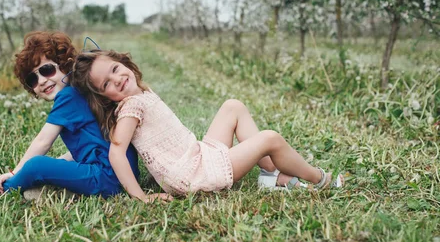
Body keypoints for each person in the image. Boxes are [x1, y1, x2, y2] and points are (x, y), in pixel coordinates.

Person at [70, 50, 343, 202]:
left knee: (232, 106)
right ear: (103, 96)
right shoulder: (129, 108)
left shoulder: (140, 94)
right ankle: (320, 180)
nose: (116, 80)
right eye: (106, 84)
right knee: (270, 138)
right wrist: (141, 196)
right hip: (190, 174)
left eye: (115, 69)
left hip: (196, 154)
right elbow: (116, 153)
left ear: (123, 63)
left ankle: (270, 174)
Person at [0, 32, 141, 199]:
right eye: (32, 80)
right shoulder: (81, 92)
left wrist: (16, 171)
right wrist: (58, 165)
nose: (41, 81)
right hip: (121, 174)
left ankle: (2, 189)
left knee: (36, 165)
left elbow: (43, 141)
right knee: (50, 164)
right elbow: (87, 148)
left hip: (107, 178)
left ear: (65, 65)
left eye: (47, 70)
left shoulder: (68, 96)